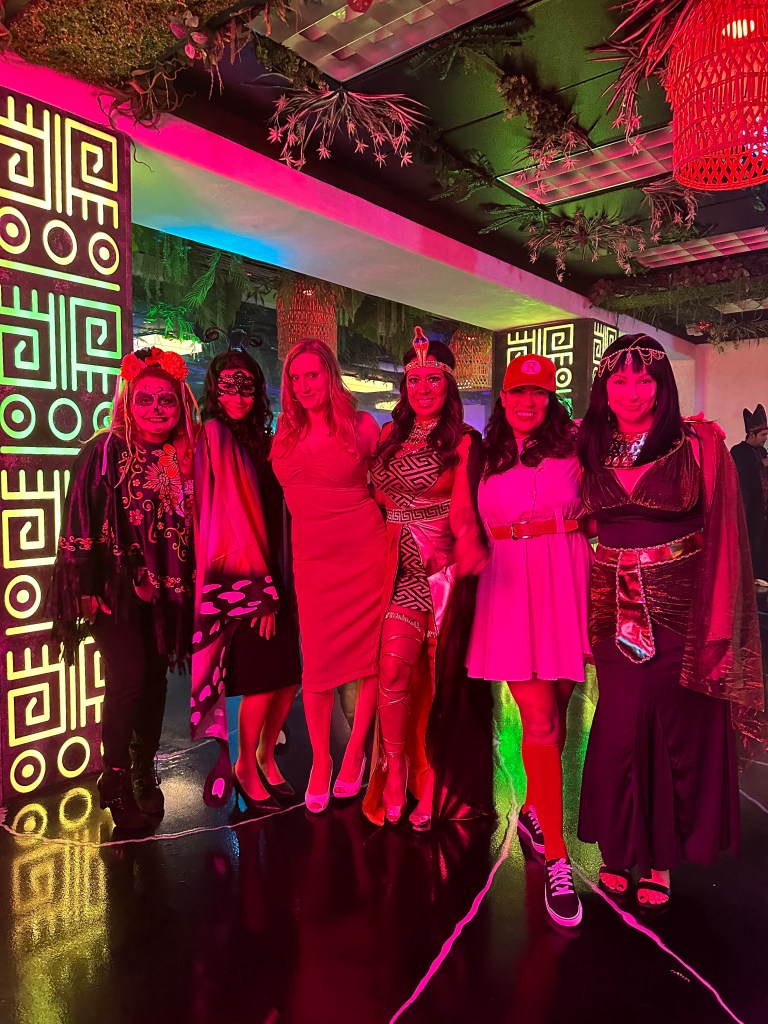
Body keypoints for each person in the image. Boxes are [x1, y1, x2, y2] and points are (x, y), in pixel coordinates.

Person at [577, 333, 764, 911]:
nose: (632, 391)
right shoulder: (589, 444)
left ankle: (658, 858)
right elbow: (584, 524)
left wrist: (720, 620)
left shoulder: (699, 443)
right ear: (603, 389)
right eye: (619, 380)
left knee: (670, 729)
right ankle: (617, 847)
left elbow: (725, 529)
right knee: (617, 727)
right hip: (610, 607)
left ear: (663, 387)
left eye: (645, 379)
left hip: (681, 609)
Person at [49, 347, 199, 830]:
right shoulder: (105, 449)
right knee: (129, 678)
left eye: (166, 400)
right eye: (146, 399)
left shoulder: (185, 456)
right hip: (114, 589)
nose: (156, 408)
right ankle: (112, 779)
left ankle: (143, 767)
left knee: (155, 680)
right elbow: (79, 514)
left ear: (180, 404)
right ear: (129, 402)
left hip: (165, 593)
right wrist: (85, 587)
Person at [465, 354, 590, 927]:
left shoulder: (577, 446)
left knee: (557, 712)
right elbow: (454, 513)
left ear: (551, 398)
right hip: (510, 585)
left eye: (538, 393)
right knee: (539, 720)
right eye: (518, 392)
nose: (527, 402)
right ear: (503, 397)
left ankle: (537, 809)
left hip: (566, 579)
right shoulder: (481, 453)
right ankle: (557, 859)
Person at [363, 328, 491, 831]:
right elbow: (374, 500)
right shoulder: (388, 437)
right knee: (392, 673)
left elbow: (463, 510)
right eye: (414, 379)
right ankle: (395, 772)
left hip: (442, 573)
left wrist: (470, 544)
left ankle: (436, 781)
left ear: (449, 385)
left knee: (442, 686)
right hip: (395, 571)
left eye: (433, 379)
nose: (422, 388)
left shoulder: (465, 440)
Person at [271, 339, 387, 813]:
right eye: (295, 378)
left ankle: (355, 753)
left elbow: (388, 488)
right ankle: (322, 759)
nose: (303, 386)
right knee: (317, 665)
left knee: (367, 659)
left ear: (330, 376)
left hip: (363, 552)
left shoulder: (363, 426)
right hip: (312, 559)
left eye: (312, 375)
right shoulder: (284, 429)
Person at [190, 345, 301, 813]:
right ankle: (245, 767)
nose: (237, 396)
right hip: (247, 578)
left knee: (289, 676)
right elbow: (228, 517)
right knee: (263, 679)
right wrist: (258, 594)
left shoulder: (259, 437)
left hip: (279, 571)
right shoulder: (214, 434)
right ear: (214, 390)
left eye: (247, 387)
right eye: (228, 387)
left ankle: (264, 756)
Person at [730, 405, 768, 584]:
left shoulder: (762, 451)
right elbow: (742, 475)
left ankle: (762, 576)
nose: (765, 439)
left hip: (763, 506)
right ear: (751, 435)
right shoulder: (738, 451)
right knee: (751, 540)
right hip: (748, 506)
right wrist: (762, 464)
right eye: (763, 435)